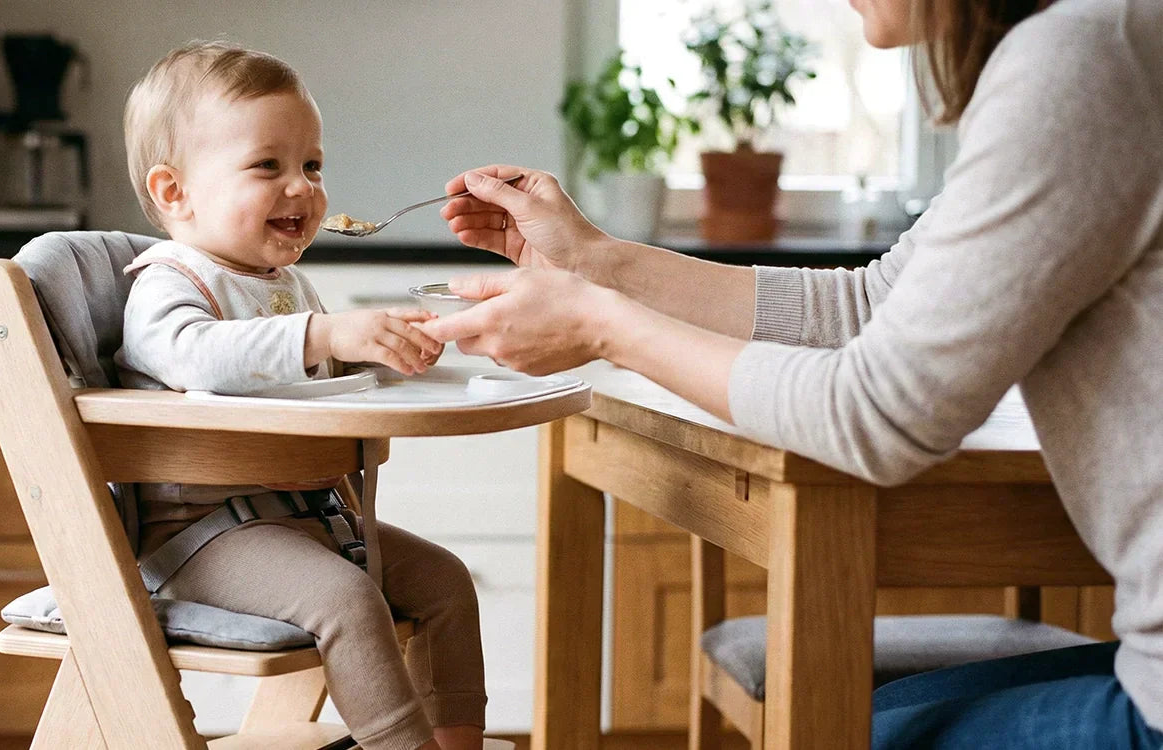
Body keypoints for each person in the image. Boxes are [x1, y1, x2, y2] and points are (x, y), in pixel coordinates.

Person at [420, 0, 1163, 746]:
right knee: (857, 719)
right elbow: (871, 304)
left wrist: (603, 325)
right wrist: (597, 261)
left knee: (835, 725)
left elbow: (877, 415)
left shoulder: (1082, 57)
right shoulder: (1098, 41)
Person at [115, 42, 486, 750]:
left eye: (311, 165)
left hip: (304, 515)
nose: (303, 187)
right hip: (202, 535)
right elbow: (195, 358)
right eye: (268, 166)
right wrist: (323, 334)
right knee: (347, 599)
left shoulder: (285, 286)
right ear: (175, 193)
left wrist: (384, 353)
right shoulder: (169, 281)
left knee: (444, 581)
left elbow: (305, 378)